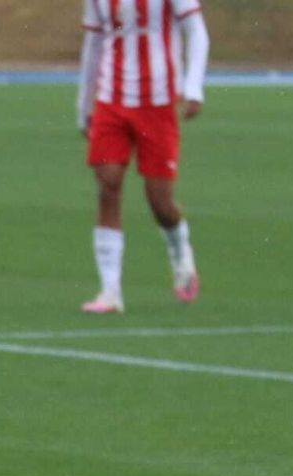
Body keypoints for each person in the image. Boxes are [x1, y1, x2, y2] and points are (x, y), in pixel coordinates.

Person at [77, 0, 209, 313]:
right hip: (110, 99)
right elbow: (93, 42)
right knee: (108, 185)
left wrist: (193, 87)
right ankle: (110, 291)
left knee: (160, 203)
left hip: (157, 103)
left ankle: (180, 251)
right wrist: (83, 105)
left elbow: (196, 30)